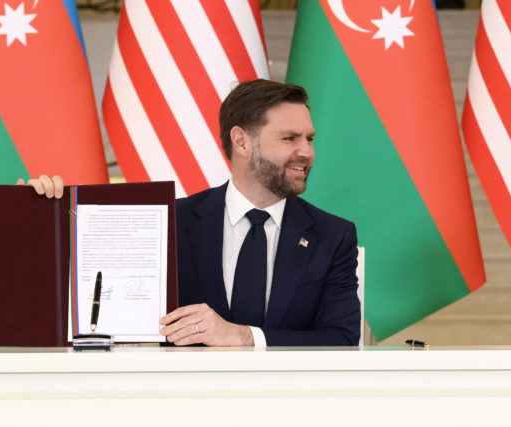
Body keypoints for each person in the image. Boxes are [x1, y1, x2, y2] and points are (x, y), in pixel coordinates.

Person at [26, 79, 361, 347]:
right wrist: (36, 212)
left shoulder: (333, 236)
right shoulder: (169, 222)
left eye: (309, 139)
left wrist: (243, 337)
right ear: (241, 142)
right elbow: (84, 302)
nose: (307, 152)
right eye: (289, 138)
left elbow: (342, 339)